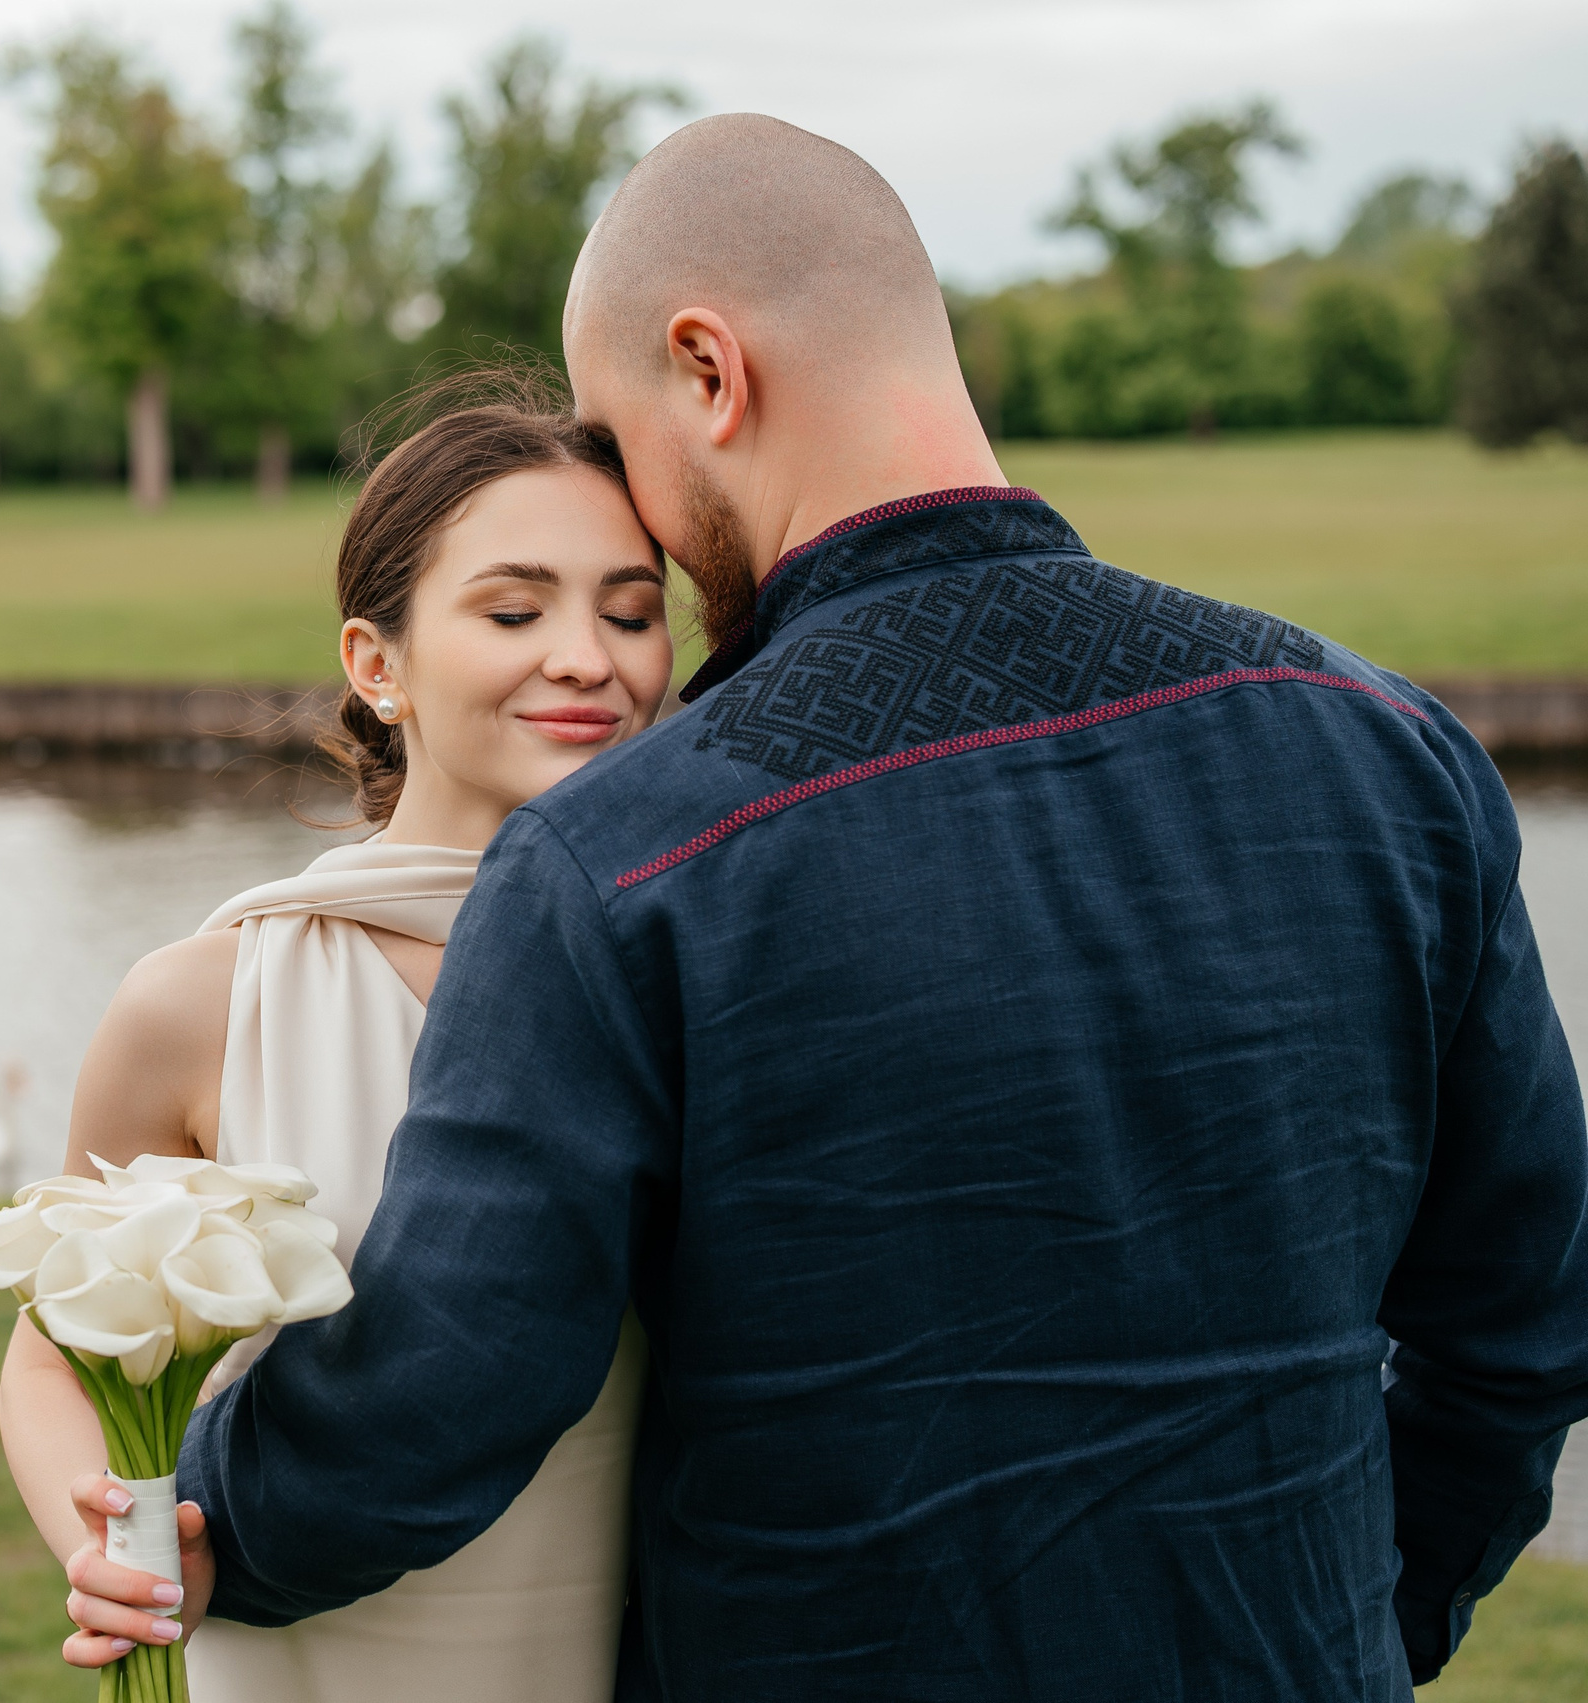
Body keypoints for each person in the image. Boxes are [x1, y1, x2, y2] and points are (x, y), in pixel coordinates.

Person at [91, 114, 1588, 1698]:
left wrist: (206, 1519)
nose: (644, 530)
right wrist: (1362, 1624)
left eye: (621, 442)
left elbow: (441, 1393)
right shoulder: (1388, 747)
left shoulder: (632, 857)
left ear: (709, 372)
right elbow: (1522, 1321)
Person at [0, 384, 677, 1702]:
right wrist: (113, 1548)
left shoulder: (700, 977)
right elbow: (50, 1352)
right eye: (515, 610)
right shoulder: (202, 1005)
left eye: (633, 610)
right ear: (379, 665)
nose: (591, 657)